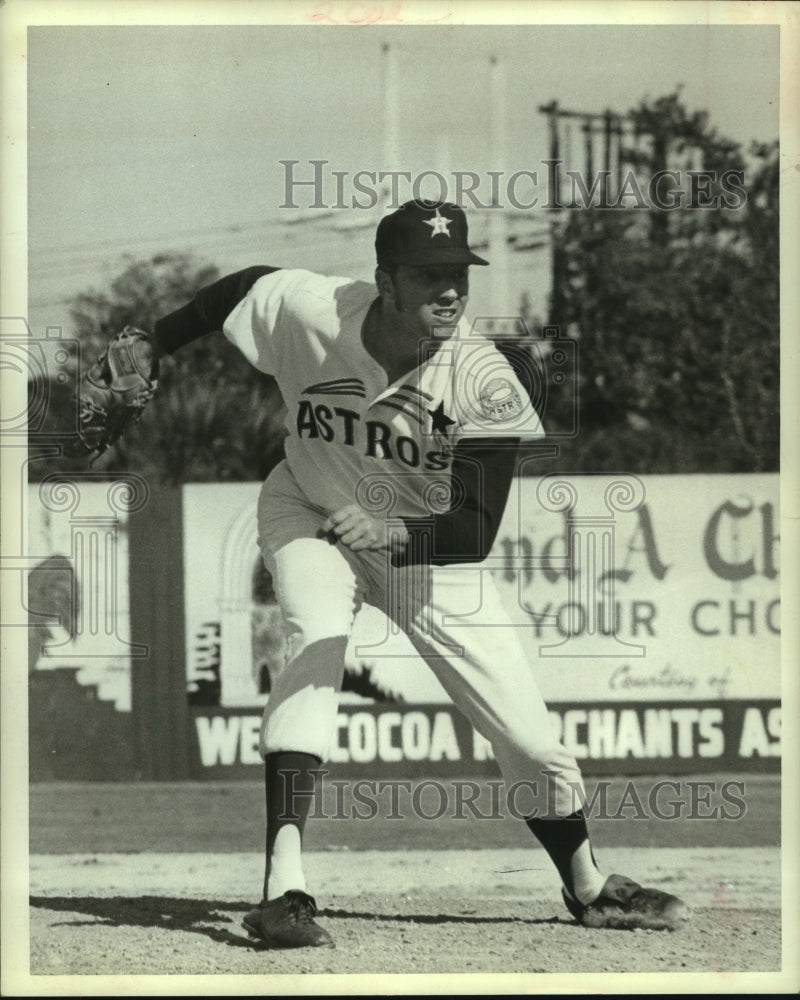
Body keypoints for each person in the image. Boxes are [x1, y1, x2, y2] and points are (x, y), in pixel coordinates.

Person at [150, 200, 688, 948]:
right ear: (384, 282)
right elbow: (234, 289)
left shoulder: (484, 378)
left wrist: (392, 530)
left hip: (427, 550)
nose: (450, 291)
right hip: (309, 506)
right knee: (316, 637)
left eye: (459, 275)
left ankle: (589, 885)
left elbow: (472, 528)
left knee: (529, 740)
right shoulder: (314, 310)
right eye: (428, 274)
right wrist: (150, 346)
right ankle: (284, 888)